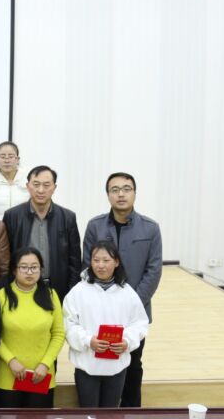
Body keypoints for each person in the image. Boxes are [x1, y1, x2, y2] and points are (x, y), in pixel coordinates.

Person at [82, 172, 162, 407]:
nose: (121, 194)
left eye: (126, 189)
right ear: (108, 195)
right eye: (115, 190)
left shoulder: (150, 228)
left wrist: (131, 304)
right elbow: (87, 266)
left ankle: (130, 411)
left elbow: (153, 271)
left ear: (135, 193)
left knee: (133, 364)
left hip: (135, 313)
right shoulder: (95, 226)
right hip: (99, 311)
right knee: (100, 361)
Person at [63, 240, 149, 408]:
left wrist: (127, 341)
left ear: (116, 262)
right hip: (87, 366)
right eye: (96, 260)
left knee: (110, 413)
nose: (100, 265)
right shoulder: (78, 291)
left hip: (116, 368)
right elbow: (69, 323)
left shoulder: (127, 293)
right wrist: (88, 340)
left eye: (106, 260)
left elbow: (139, 323)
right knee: (88, 413)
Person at [0, 247, 65, 409]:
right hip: (9, 375)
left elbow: (58, 334)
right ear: (14, 270)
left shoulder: (51, 295)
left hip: (41, 375)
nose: (29, 272)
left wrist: (45, 364)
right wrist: (11, 361)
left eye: (34, 267)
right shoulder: (2, 296)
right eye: (24, 267)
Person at [1, 165, 81, 303]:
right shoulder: (12, 216)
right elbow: (5, 257)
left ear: (54, 188)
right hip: (21, 289)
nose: (41, 190)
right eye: (36, 184)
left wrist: (72, 292)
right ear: (28, 186)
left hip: (58, 288)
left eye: (46, 185)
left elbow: (75, 261)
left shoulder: (68, 218)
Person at [0, 142, 29, 219]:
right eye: (3, 157)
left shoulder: (28, 179)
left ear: (17, 159)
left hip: (23, 225)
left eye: (11, 156)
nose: (6, 160)